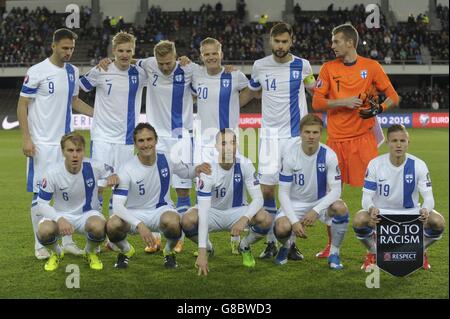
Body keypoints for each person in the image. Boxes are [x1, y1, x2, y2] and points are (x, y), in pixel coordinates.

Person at [312, 24, 400, 258]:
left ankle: (373, 251)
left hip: (363, 141)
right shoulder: (328, 69)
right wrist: (343, 102)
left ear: (350, 42)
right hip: (336, 142)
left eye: (336, 41)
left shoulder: (371, 67)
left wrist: (377, 109)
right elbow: (317, 103)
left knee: (375, 194)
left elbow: (393, 96)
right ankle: (332, 246)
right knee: (331, 195)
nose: (332, 46)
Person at [17, 28, 94, 260]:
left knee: (66, 192)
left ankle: (68, 241)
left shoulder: (72, 71)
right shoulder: (37, 71)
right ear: (53, 46)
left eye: (71, 48)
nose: (68, 52)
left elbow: (75, 102)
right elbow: (22, 105)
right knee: (40, 196)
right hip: (41, 145)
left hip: (64, 146)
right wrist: (26, 138)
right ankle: (41, 244)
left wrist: (99, 116)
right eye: (64, 48)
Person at [247, 22, 316, 259]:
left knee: (292, 191)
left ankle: (291, 243)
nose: (280, 46)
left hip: (294, 138)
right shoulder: (259, 66)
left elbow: (315, 91)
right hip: (268, 137)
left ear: (291, 40)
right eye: (277, 41)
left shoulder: (303, 66)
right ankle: (270, 243)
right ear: (270, 41)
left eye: (285, 42)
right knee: (267, 191)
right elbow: (251, 91)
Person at [106, 123, 211, 269]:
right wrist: (139, 225)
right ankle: (126, 251)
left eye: (149, 139)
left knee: (174, 222)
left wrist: (197, 169)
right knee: (112, 225)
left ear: (156, 140)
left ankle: (168, 252)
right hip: (133, 213)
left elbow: (186, 172)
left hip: (160, 210)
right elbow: (117, 207)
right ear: (135, 144)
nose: (146, 144)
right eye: (141, 141)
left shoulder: (167, 159)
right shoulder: (126, 169)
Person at [79, 32, 147, 251]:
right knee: (98, 188)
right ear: (113, 51)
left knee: (120, 188)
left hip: (127, 140)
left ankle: (113, 238)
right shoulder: (101, 70)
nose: (125, 55)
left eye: (129, 51)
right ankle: (96, 236)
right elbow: (77, 90)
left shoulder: (140, 73)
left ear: (133, 52)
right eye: (121, 51)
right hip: (102, 139)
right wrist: (95, 114)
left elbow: (164, 70)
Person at [352, 124, 445, 270]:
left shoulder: (419, 165)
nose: (398, 145)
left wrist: (426, 209)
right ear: (388, 143)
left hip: (411, 215)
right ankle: (373, 252)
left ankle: (420, 251)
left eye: (402, 141)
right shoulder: (375, 164)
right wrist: (371, 209)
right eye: (394, 141)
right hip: (382, 215)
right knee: (359, 220)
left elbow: (429, 198)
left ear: (408, 142)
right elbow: (366, 198)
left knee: (438, 222)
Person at [192, 37, 253, 254]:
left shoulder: (234, 75)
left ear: (221, 54)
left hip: (228, 141)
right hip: (204, 144)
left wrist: (236, 103)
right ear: (201, 56)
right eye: (206, 54)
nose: (210, 57)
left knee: (235, 188)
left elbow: (252, 90)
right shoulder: (196, 75)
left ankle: (236, 237)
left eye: (214, 53)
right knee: (204, 191)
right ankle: (205, 243)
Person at [182, 129, 272, 276]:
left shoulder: (245, 164)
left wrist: (244, 218)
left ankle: (244, 246)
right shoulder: (208, 169)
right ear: (216, 147)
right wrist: (202, 252)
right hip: (212, 212)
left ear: (237, 145)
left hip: (237, 212)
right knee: (187, 220)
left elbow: (258, 198)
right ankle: (209, 248)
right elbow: (203, 212)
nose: (229, 147)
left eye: (232, 142)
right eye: (224, 143)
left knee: (266, 218)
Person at [135, 40, 197, 254]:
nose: (165, 67)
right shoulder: (149, 64)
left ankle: (178, 237)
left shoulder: (189, 69)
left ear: (176, 56)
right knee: (155, 190)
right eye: (161, 63)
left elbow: (209, 79)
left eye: (169, 62)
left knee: (181, 189)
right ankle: (155, 239)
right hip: (156, 138)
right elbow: (130, 60)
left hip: (182, 137)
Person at [275, 114, 349, 269]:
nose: (311, 136)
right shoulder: (290, 155)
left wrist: (316, 210)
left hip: (320, 202)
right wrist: (294, 221)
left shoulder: (329, 155)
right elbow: (282, 193)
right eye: (307, 132)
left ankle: (334, 253)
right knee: (281, 228)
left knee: (341, 208)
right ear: (300, 133)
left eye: (315, 132)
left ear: (320, 133)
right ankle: (286, 245)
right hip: (295, 203)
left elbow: (336, 191)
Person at [36, 132, 118, 271]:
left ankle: (89, 252)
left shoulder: (94, 166)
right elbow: (41, 203)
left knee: (99, 226)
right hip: (61, 215)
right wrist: (59, 218)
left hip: (87, 215)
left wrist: (114, 177)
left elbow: (113, 173)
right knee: (43, 231)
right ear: (63, 152)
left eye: (78, 150)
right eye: (70, 150)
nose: (75, 155)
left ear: (83, 151)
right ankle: (57, 253)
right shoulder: (52, 172)